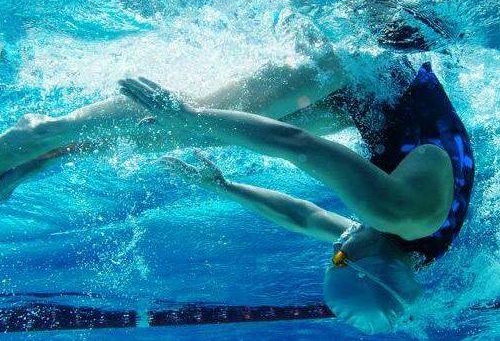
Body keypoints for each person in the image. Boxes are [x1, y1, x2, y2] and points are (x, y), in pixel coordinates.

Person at [116, 65, 473, 332]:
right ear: (367, 267)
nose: (336, 247)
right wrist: (191, 117)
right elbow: (295, 143)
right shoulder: (397, 214)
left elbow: (304, 217)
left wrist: (225, 187)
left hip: (363, 104)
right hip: (374, 66)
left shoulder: (402, 249)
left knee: (213, 132)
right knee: (197, 120)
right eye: (337, 258)